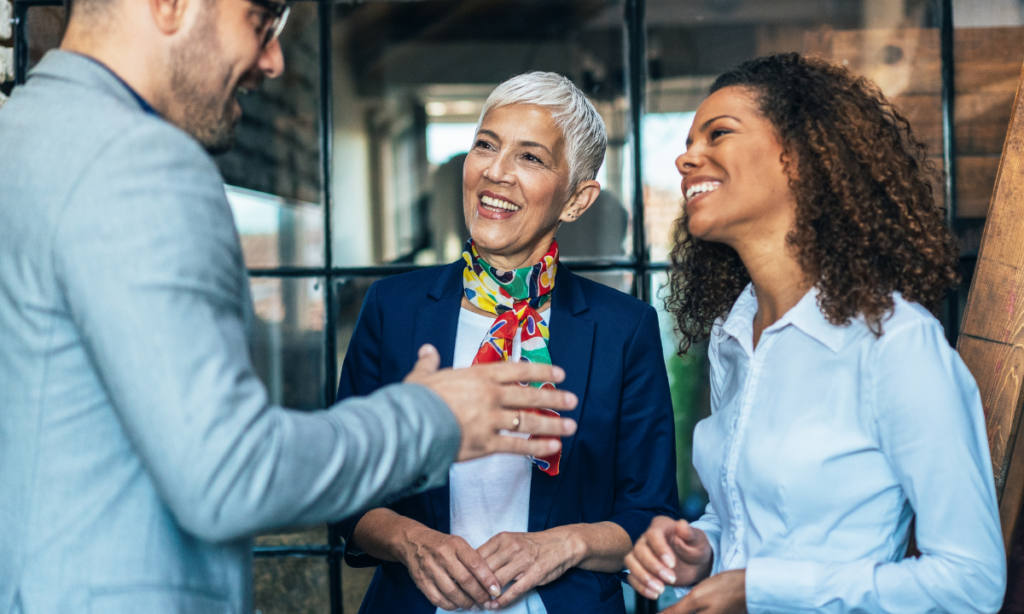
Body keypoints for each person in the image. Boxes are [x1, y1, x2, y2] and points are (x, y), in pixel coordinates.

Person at [0, 0, 580, 612]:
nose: (274, 61)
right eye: (259, 20)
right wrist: (432, 416)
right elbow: (227, 472)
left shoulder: (24, 135)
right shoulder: (137, 160)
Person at [624, 53, 1006, 614]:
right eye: (687, 141)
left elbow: (970, 583)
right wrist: (700, 551)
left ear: (800, 155)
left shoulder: (895, 343)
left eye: (718, 133)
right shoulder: (733, 339)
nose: (687, 158)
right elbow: (745, 524)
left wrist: (759, 589)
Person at [336, 72, 679, 614]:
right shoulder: (391, 309)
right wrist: (412, 542)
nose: (497, 172)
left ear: (576, 199)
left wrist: (564, 545)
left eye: (531, 158)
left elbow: (652, 515)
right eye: (486, 145)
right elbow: (345, 491)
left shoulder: (624, 328)